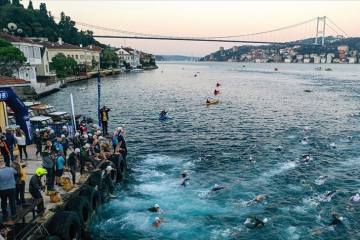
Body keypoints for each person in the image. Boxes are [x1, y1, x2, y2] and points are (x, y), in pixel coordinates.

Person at [0, 160, 17, 224]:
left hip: (2, 189)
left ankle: (5, 214)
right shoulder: (11, 169)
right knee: (12, 201)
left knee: (3, 202)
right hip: (12, 188)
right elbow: (16, 172)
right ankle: (14, 214)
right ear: (4, 164)